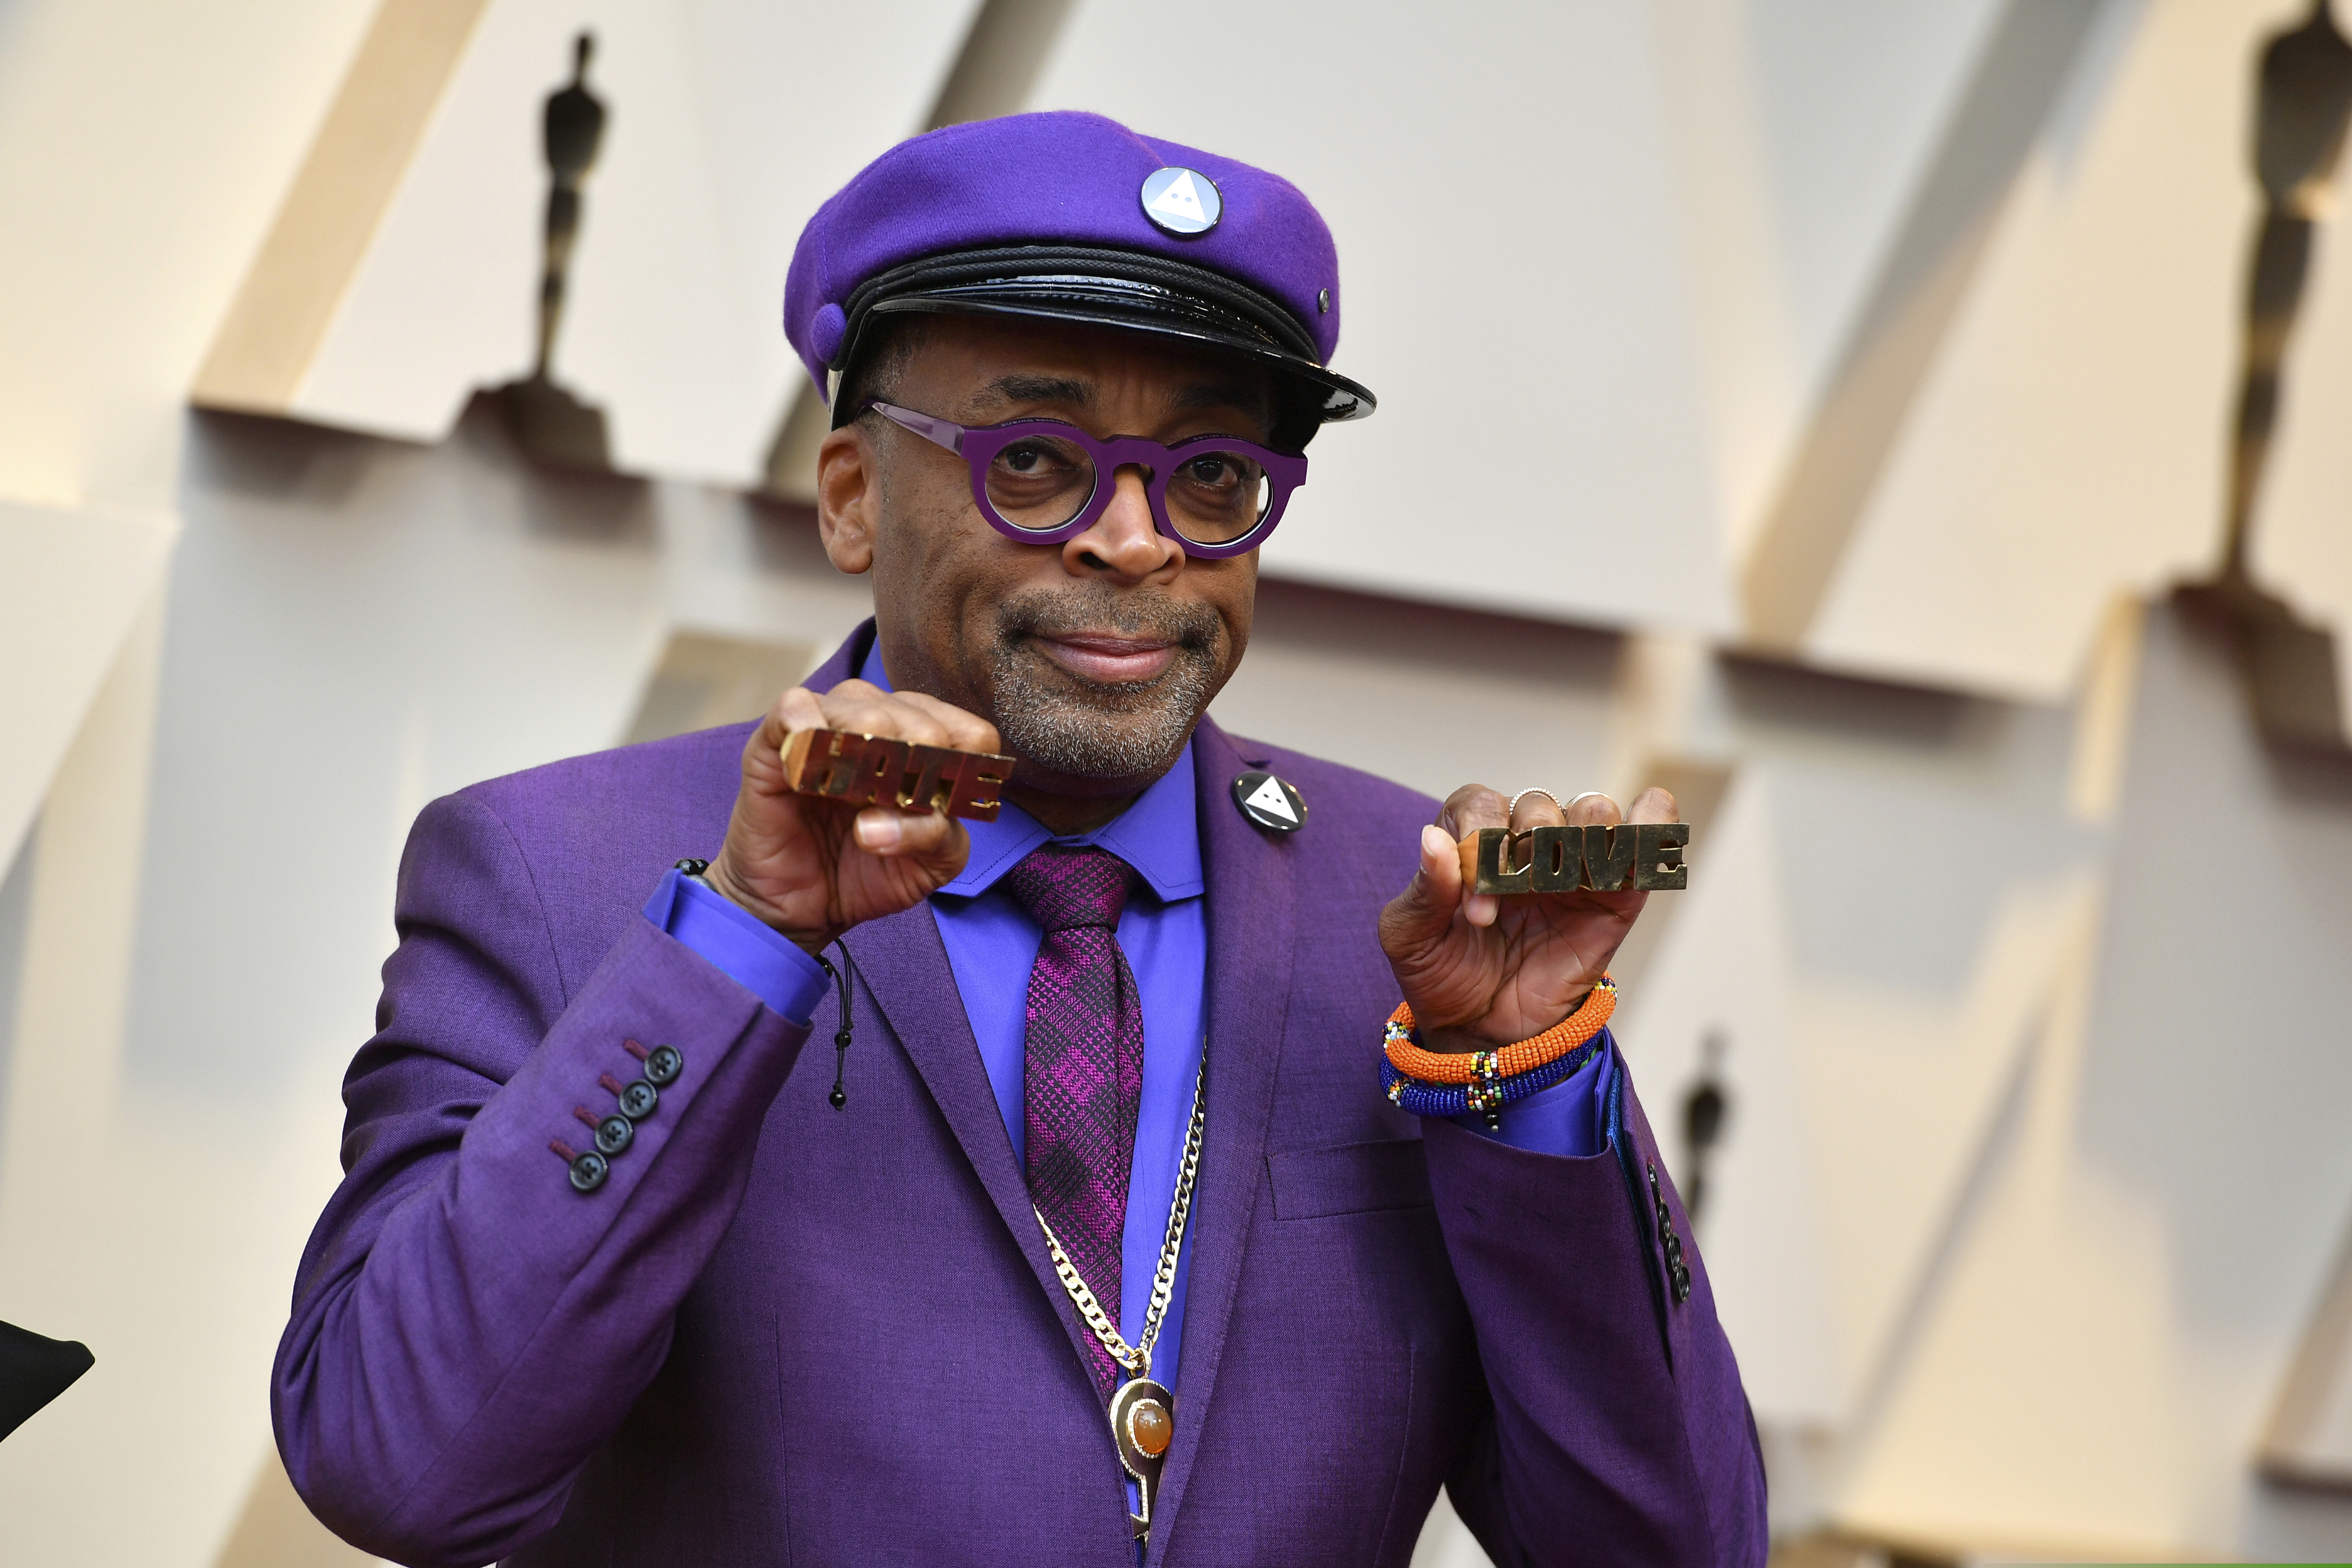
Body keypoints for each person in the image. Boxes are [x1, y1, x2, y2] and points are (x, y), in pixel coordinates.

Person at [274, 110, 1766, 1567]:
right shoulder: (556, 870)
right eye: (1038, 463)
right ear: (855, 500)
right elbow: (402, 1467)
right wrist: (742, 942)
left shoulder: (1423, 911)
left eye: (1213, 480)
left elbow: (1678, 1547)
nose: (1135, 543)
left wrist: (1525, 1082)